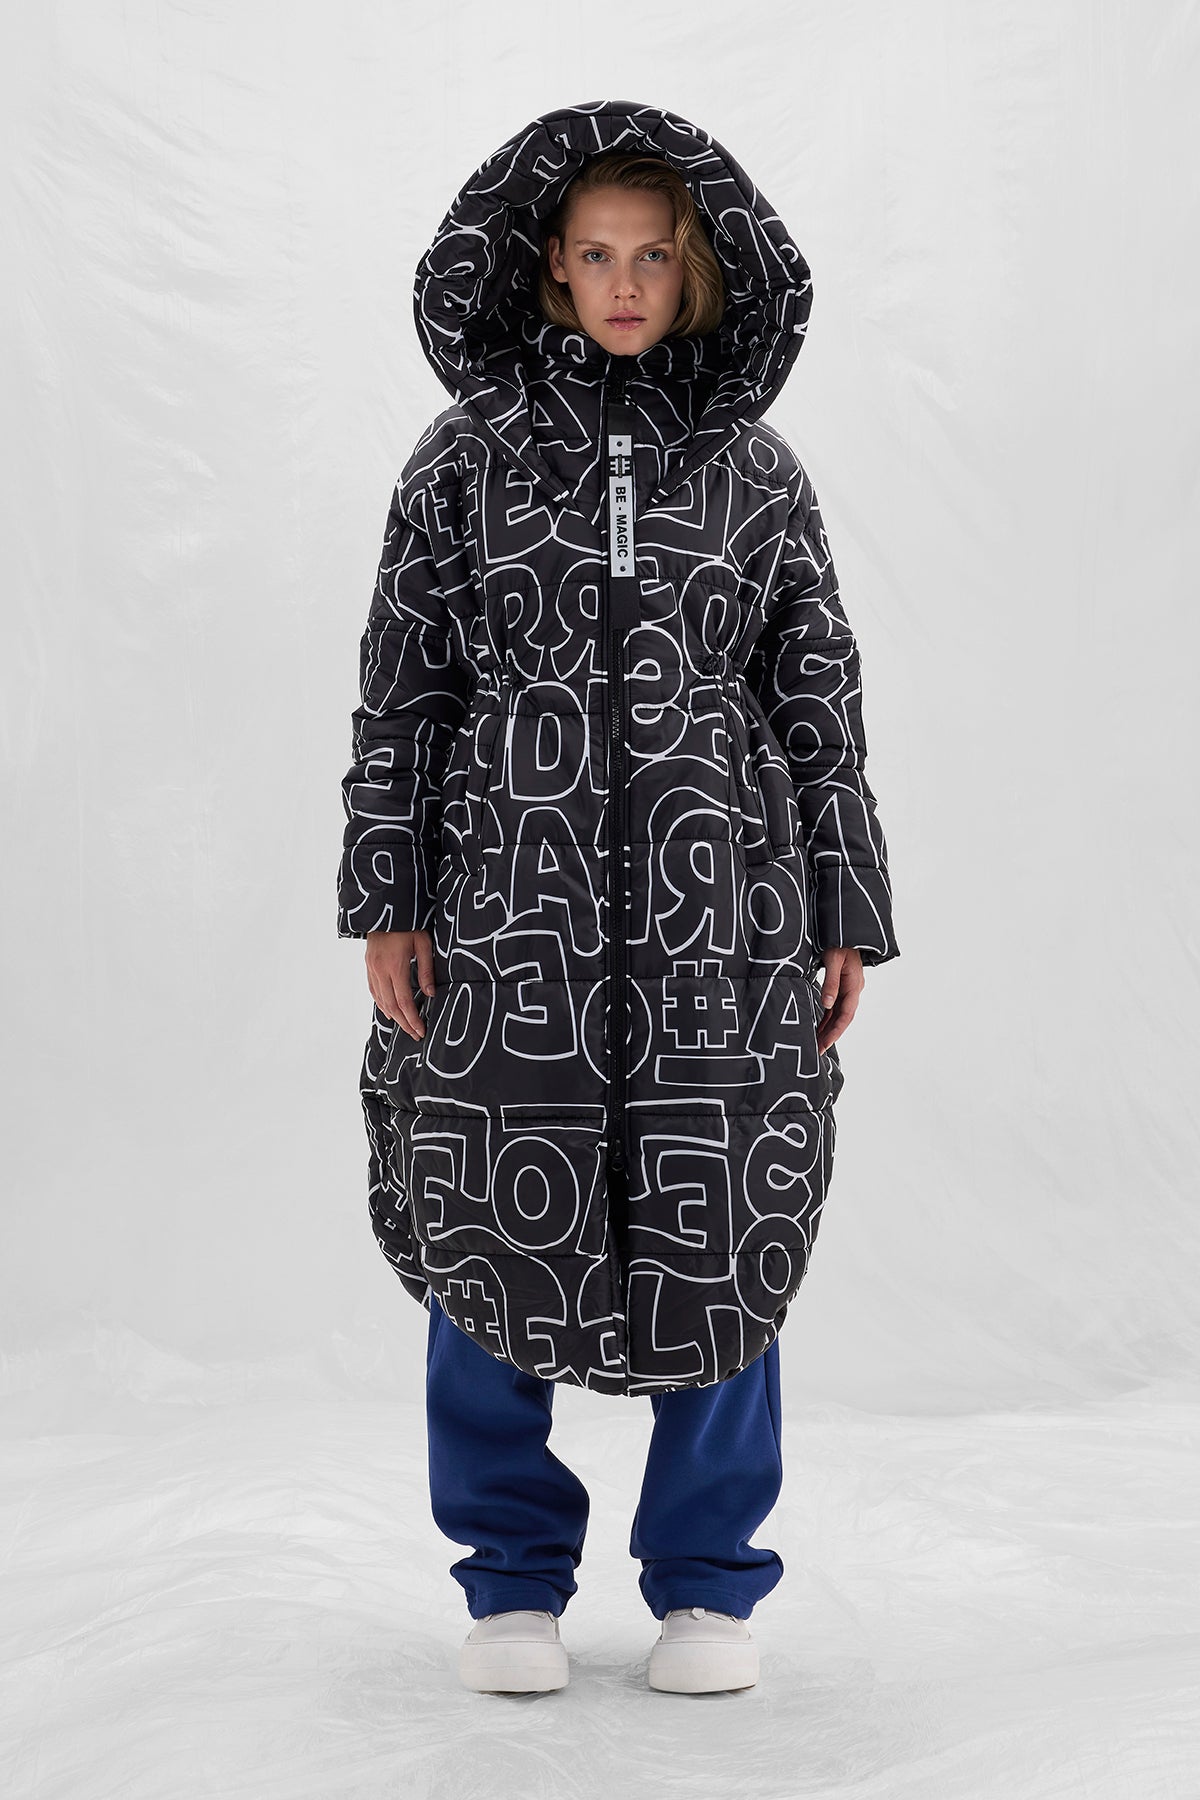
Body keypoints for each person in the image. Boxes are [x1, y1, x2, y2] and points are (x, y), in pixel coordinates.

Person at [336, 100, 900, 1696]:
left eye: (655, 255)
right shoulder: (462, 461)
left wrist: (843, 901)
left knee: (724, 1229)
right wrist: (388, 897)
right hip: (506, 906)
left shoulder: (759, 475)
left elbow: (819, 700)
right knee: (484, 1217)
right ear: (547, 267)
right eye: (595, 254)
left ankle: (708, 1586)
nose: (627, 283)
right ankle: (509, 1583)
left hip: (726, 915)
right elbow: (402, 695)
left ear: (700, 267)